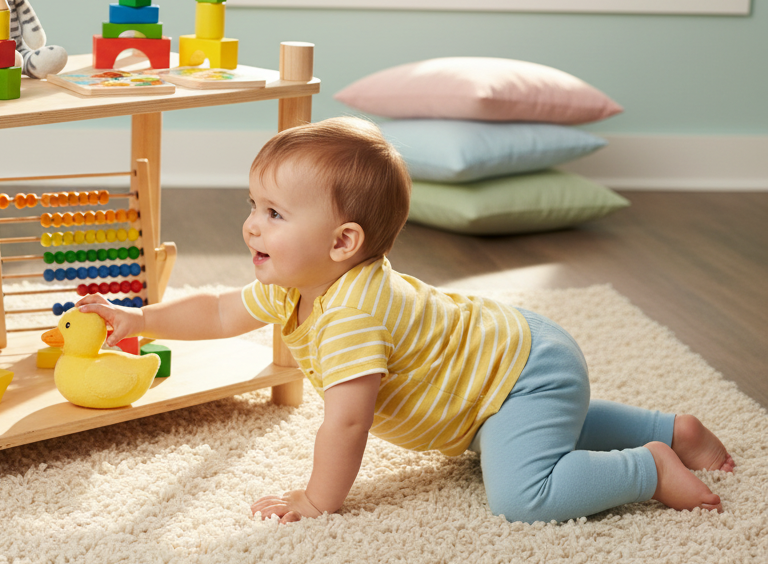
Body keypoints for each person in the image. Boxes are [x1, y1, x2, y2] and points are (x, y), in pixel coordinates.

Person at [77, 117, 735, 524]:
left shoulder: (353, 315)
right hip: (508, 375)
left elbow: (348, 420)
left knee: (521, 496)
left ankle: (647, 467)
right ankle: (672, 430)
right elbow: (220, 310)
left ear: (342, 243)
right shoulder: (292, 284)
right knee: (515, 434)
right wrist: (141, 321)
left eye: (275, 213)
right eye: (254, 204)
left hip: (523, 371)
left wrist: (317, 498)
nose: (252, 222)